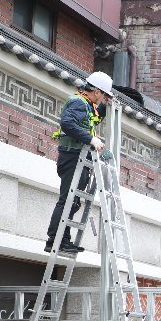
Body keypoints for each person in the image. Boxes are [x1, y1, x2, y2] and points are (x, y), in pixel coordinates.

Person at [46, 71, 114, 254]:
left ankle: (63, 239)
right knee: (68, 199)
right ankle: (55, 240)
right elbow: (68, 124)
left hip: (78, 157)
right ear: (97, 92)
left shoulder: (87, 105)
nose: (103, 98)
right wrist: (91, 139)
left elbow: (91, 120)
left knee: (73, 201)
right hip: (72, 157)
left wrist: (105, 106)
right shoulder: (77, 102)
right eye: (103, 95)